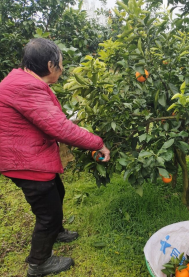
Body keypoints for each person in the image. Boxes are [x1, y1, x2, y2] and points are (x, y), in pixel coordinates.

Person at [0, 38, 110, 276]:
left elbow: (49, 120)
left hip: (27, 154)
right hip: (25, 162)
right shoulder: (26, 87)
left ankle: (57, 232)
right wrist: (97, 143)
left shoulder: (23, 81)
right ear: (51, 66)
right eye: (61, 63)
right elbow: (58, 128)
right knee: (48, 214)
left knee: (57, 192)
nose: (62, 68)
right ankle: (39, 264)